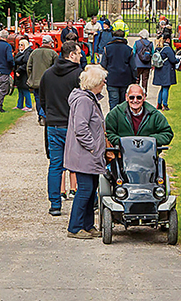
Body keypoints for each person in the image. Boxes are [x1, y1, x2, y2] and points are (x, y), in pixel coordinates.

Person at [39, 40, 83, 216]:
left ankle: (55, 203)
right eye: (79, 53)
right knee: (80, 164)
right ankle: (87, 200)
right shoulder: (78, 75)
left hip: (54, 124)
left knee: (56, 165)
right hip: (72, 125)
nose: (81, 56)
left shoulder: (48, 74)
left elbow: (42, 99)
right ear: (71, 55)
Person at [64, 65, 108, 239]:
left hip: (89, 154)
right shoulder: (83, 100)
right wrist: (93, 147)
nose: (105, 83)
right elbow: (81, 128)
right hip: (85, 154)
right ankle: (75, 227)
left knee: (92, 188)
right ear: (95, 82)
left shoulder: (89, 98)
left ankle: (88, 225)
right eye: (102, 80)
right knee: (85, 189)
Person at [105, 84, 173, 147]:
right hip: (123, 154)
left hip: (148, 154)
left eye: (139, 97)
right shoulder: (115, 113)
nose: (135, 100)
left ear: (144, 97)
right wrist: (125, 142)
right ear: (126, 97)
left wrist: (148, 140)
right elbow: (108, 133)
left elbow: (167, 134)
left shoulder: (154, 114)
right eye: (131, 97)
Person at [101, 29, 136, 110]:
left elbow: (103, 65)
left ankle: (113, 120)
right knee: (124, 103)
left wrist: (104, 78)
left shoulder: (107, 49)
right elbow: (133, 67)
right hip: (125, 79)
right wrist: (134, 78)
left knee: (113, 102)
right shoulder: (128, 49)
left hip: (112, 79)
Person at [27, 35, 58, 126]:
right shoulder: (53, 53)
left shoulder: (34, 52)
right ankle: (43, 115)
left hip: (36, 81)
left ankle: (40, 115)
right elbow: (56, 68)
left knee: (38, 99)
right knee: (48, 100)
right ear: (50, 43)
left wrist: (32, 77)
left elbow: (29, 67)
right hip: (49, 82)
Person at [152, 35, 179, 110]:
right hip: (166, 70)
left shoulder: (157, 49)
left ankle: (159, 104)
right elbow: (173, 60)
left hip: (159, 70)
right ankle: (165, 104)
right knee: (166, 88)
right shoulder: (167, 49)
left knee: (162, 88)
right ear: (167, 40)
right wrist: (178, 60)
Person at [14, 38, 33, 111]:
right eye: (19, 45)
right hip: (20, 73)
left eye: (21, 45)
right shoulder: (20, 53)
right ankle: (20, 105)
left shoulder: (27, 53)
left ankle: (28, 105)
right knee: (20, 89)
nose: (20, 46)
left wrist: (19, 70)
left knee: (25, 89)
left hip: (24, 73)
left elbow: (26, 63)